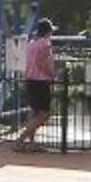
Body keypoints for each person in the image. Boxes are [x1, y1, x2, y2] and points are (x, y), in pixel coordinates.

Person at [14, 18, 56, 148]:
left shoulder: (31, 43)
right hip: (41, 80)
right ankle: (21, 140)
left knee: (34, 111)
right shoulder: (45, 44)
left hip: (30, 79)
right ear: (48, 31)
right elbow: (42, 62)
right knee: (44, 113)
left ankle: (31, 142)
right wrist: (52, 75)